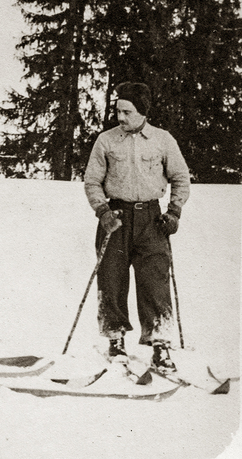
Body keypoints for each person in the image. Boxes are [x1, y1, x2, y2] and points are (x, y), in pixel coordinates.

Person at [83, 81, 190, 372]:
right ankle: (115, 340)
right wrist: (102, 211)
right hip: (115, 218)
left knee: (155, 282)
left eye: (127, 111)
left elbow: (181, 177)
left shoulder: (162, 140)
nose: (120, 116)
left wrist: (175, 212)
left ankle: (160, 346)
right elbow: (92, 181)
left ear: (142, 111)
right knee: (112, 279)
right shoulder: (106, 140)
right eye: (118, 110)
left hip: (152, 220)